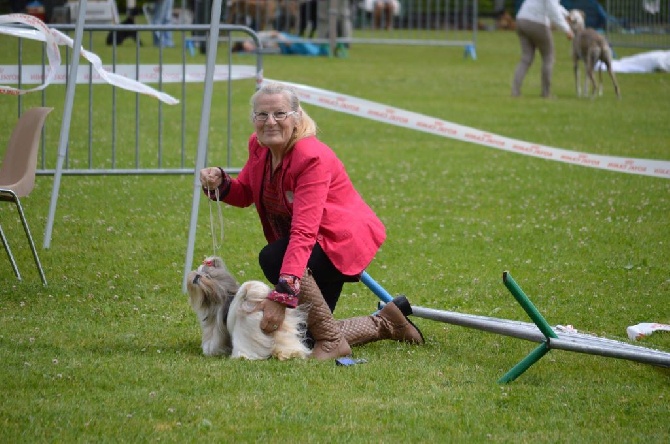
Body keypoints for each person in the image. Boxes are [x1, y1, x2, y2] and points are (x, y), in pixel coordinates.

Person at [199, 82, 424, 360]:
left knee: (273, 257)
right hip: (309, 248)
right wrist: (222, 184)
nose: (270, 122)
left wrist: (283, 295)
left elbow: (304, 231)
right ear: (253, 119)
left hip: (339, 242)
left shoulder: (310, 157)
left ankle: (331, 339)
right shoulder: (258, 147)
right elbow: (247, 191)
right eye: (262, 115)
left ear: (296, 117)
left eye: (280, 114)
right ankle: (387, 323)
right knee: (299, 337)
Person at [511, 0, 573, 98]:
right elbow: (553, 10)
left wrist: (566, 14)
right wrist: (567, 29)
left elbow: (553, 5)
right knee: (548, 57)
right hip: (537, 22)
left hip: (521, 19)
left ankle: (515, 91)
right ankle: (546, 93)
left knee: (526, 58)